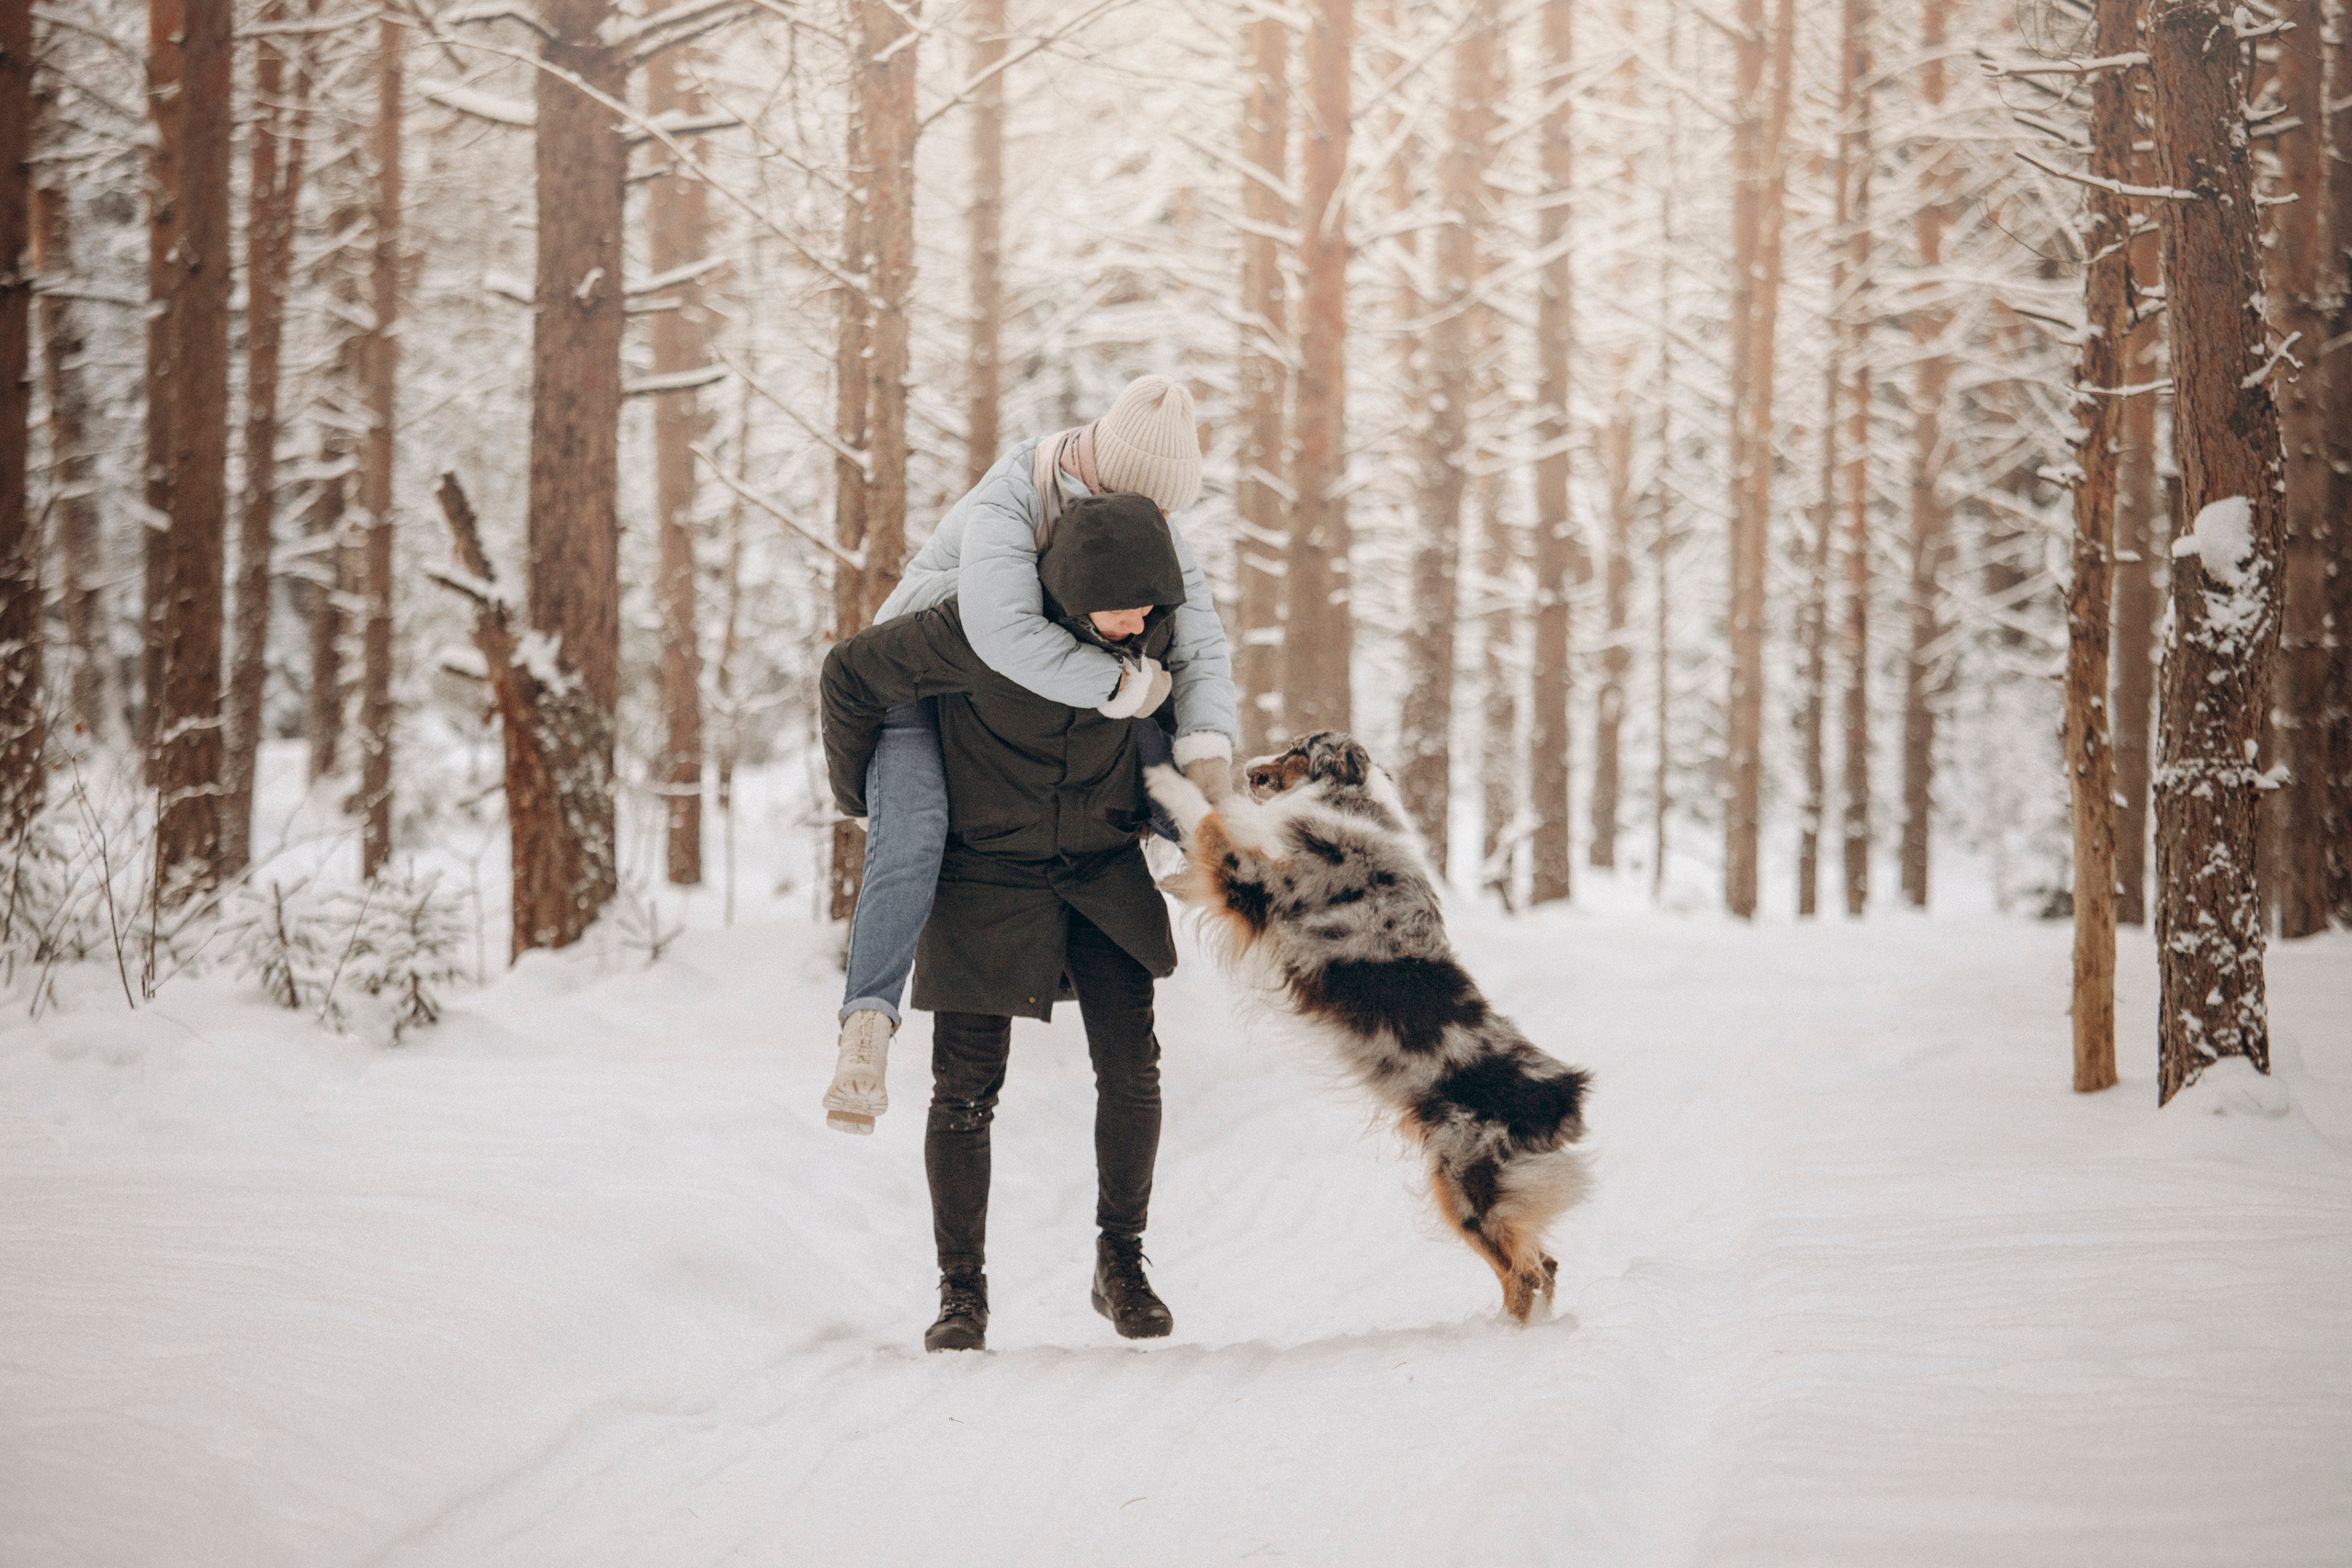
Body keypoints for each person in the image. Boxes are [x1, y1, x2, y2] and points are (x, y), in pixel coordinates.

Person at [821, 492, 1205, 1351]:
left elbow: (1172, 744)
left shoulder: (1156, 638)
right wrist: (865, 796)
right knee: (963, 1089)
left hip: (1100, 871)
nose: (1139, 617)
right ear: (1068, 589)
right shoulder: (975, 632)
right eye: (1121, 602)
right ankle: (961, 1292)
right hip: (982, 876)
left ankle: (1122, 1260)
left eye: (1150, 601)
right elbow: (848, 674)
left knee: (1132, 1067)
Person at [820, 376, 1237, 1135]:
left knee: (1153, 703)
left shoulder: (1144, 517)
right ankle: (866, 1023)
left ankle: (1198, 846)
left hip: (1034, 683)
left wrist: (1208, 761)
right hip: (923, 680)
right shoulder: (1014, 494)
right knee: (914, 834)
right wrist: (1120, 681)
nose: (1166, 523)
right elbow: (999, 632)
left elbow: (1202, 643)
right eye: (1159, 507)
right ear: (1113, 478)